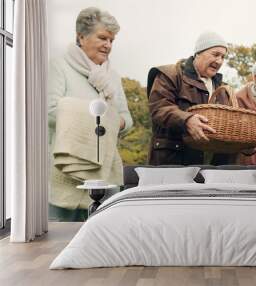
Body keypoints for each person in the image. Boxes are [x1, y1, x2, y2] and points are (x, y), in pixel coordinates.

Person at [48, 7, 133, 221]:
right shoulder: (59, 67)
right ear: (81, 37)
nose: (108, 45)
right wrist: (98, 119)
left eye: (112, 40)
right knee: (60, 238)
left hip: (105, 168)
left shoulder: (112, 76)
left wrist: (113, 121)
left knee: (103, 232)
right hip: (67, 166)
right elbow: (49, 112)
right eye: (103, 38)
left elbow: (127, 119)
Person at [147, 31, 235, 165]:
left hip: (211, 171)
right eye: (215, 54)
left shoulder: (224, 89)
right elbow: (159, 108)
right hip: (172, 165)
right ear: (198, 53)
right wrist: (186, 120)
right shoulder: (170, 74)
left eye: (223, 57)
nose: (219, 61)